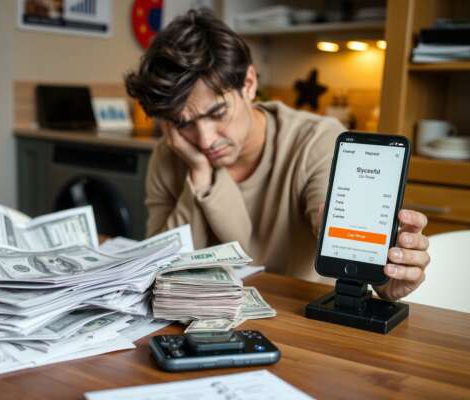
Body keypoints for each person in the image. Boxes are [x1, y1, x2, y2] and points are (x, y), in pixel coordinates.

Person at [124, 9, 430, 300]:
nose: (204, 140)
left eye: (217, 113)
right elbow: (160, 266)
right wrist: (200, 175)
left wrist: (385, 274)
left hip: (304, 323)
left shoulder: (316, 140)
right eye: (183, 122)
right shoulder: (172, 153)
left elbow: (330, 224)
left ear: (249, 83)